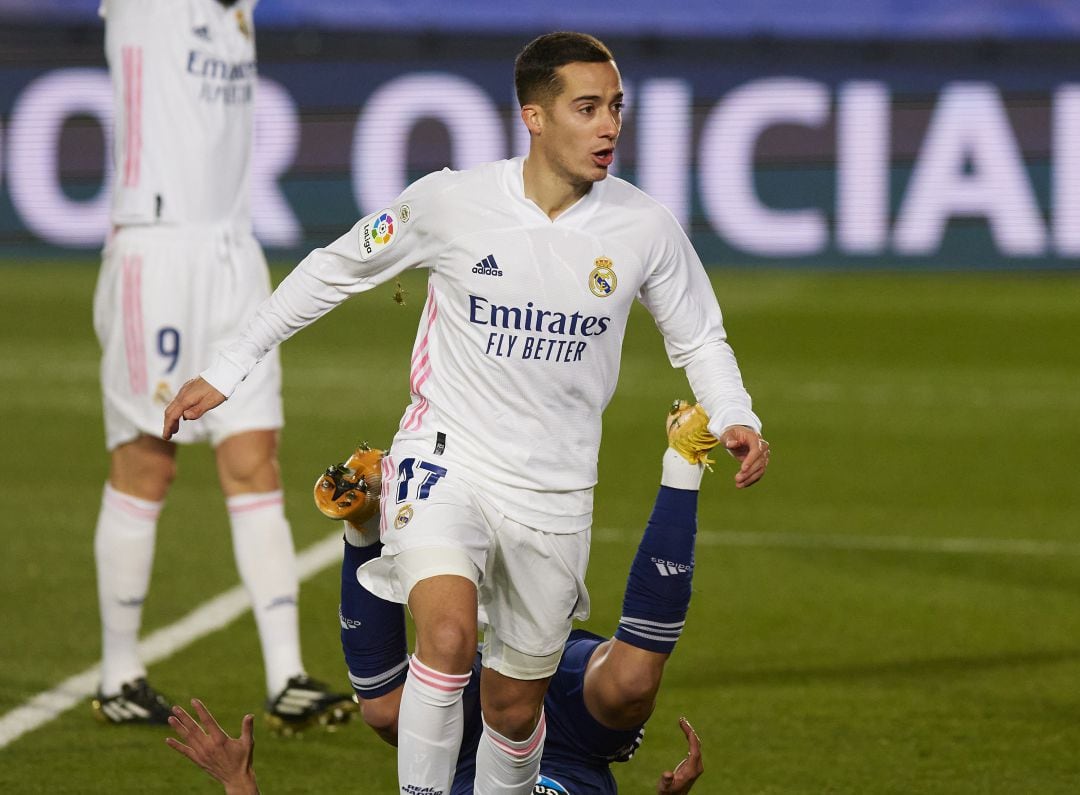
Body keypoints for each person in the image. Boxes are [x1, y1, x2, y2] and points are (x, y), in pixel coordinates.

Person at [164, 31, 769, 793]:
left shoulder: (643, 226)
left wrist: (734, 412)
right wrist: (227, 366)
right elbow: (335, 268)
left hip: (554, 490)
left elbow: (699, 335)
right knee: (447, 637)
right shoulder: (452, 201)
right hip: (445, 457)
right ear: (535, 117)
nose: (610, 124)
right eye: (588, 108)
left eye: (617, 106)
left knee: (514, 708)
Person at [167, 401, 730, 793]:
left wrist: (239, 783)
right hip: (577, 742)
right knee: (630, 684)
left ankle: (364, 526)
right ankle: (684, 462)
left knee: (386, 711)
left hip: (465, 746)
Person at [91, 0, 353, 732]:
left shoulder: (237, 10)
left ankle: (286, 677)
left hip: (233, 252)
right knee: (148, 458)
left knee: (255, 454)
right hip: (158, 245)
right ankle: (118, 672)